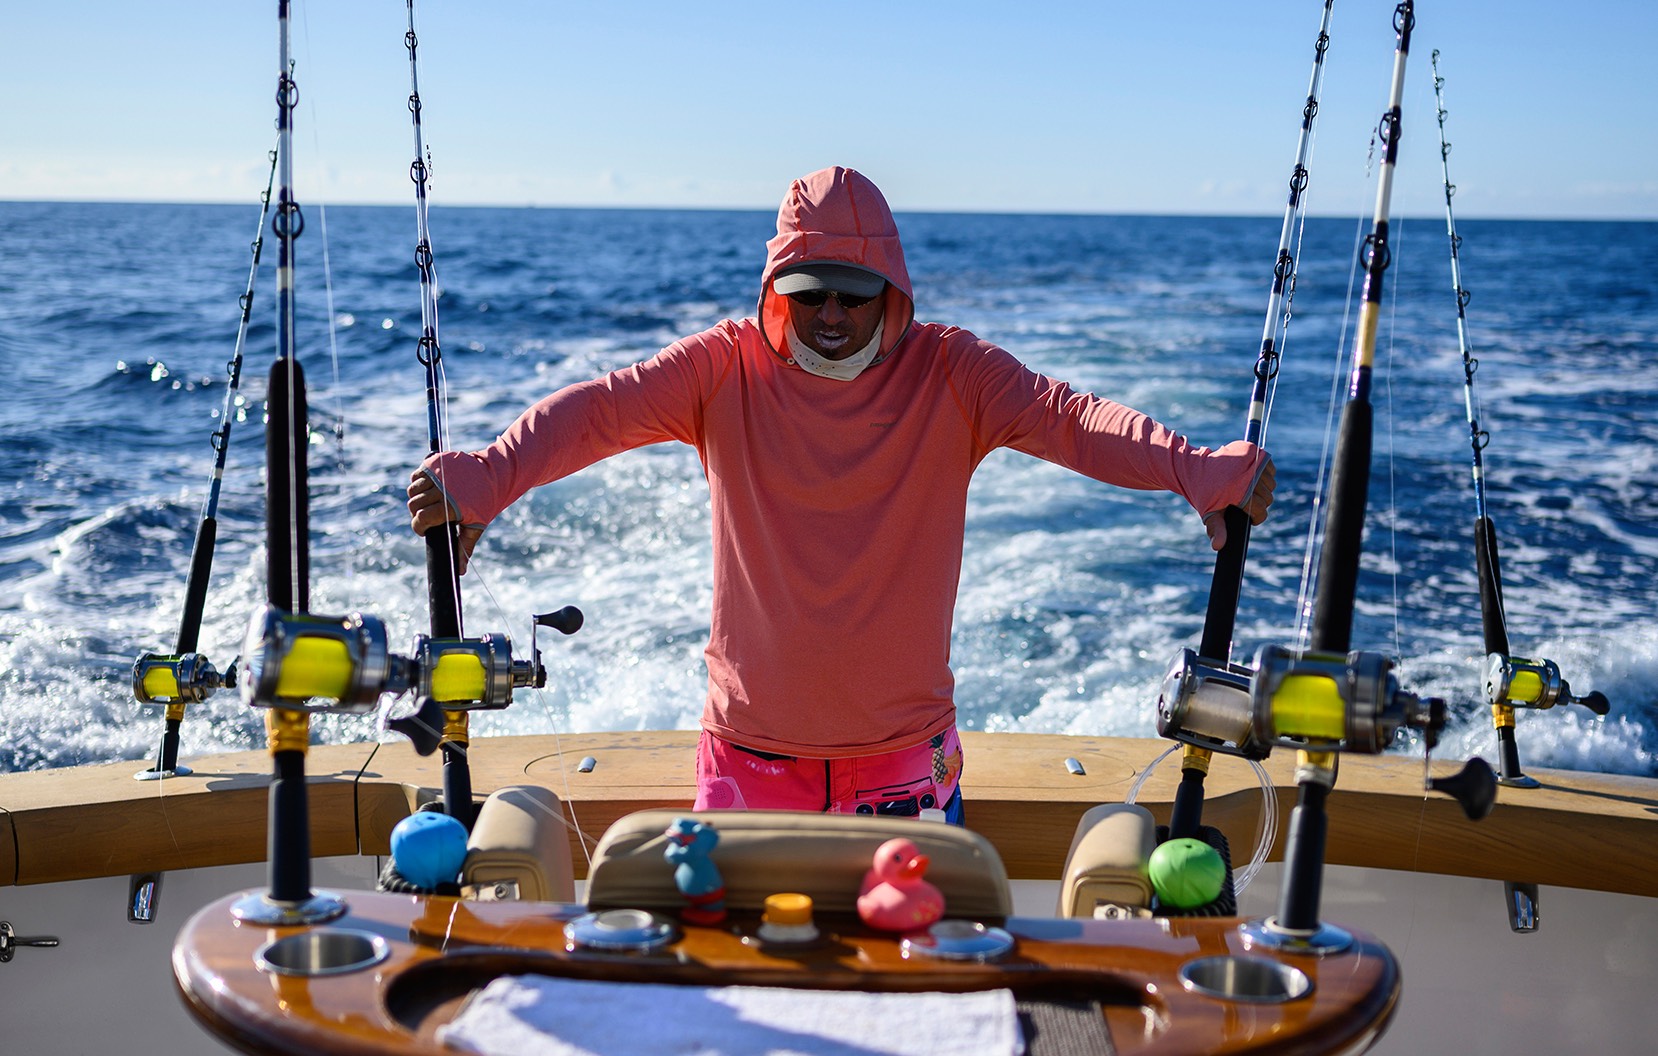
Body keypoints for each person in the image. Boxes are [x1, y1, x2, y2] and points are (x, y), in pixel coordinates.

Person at [408, 166, 1274, 826]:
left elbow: (1073, 419)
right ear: (777, 288)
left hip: (907, 767)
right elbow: (597, 412)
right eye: (807, 291)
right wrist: (488, 477)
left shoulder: (953, 372)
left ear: (890, 291)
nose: (829, 313)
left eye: (853, 295)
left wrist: (1195, 469)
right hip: (746, 763)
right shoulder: (722, 367)